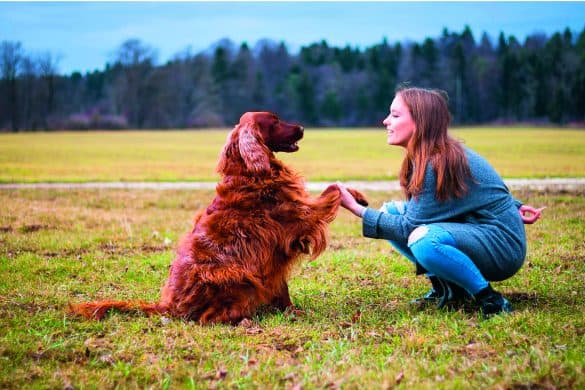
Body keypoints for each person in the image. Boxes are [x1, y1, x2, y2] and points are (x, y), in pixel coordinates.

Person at [337, 86, 543, 317]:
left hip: (502, 248)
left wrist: (356, 209)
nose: (386, 121)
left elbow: (409, 227)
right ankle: (449, 289)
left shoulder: (438, 161)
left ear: (420, 121)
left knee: (423, 239)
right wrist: (516, 205)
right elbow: (475, 190)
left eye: (395, 115)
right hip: (477, 230)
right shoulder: (432, 155)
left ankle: (491, 300)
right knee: (391, 210)